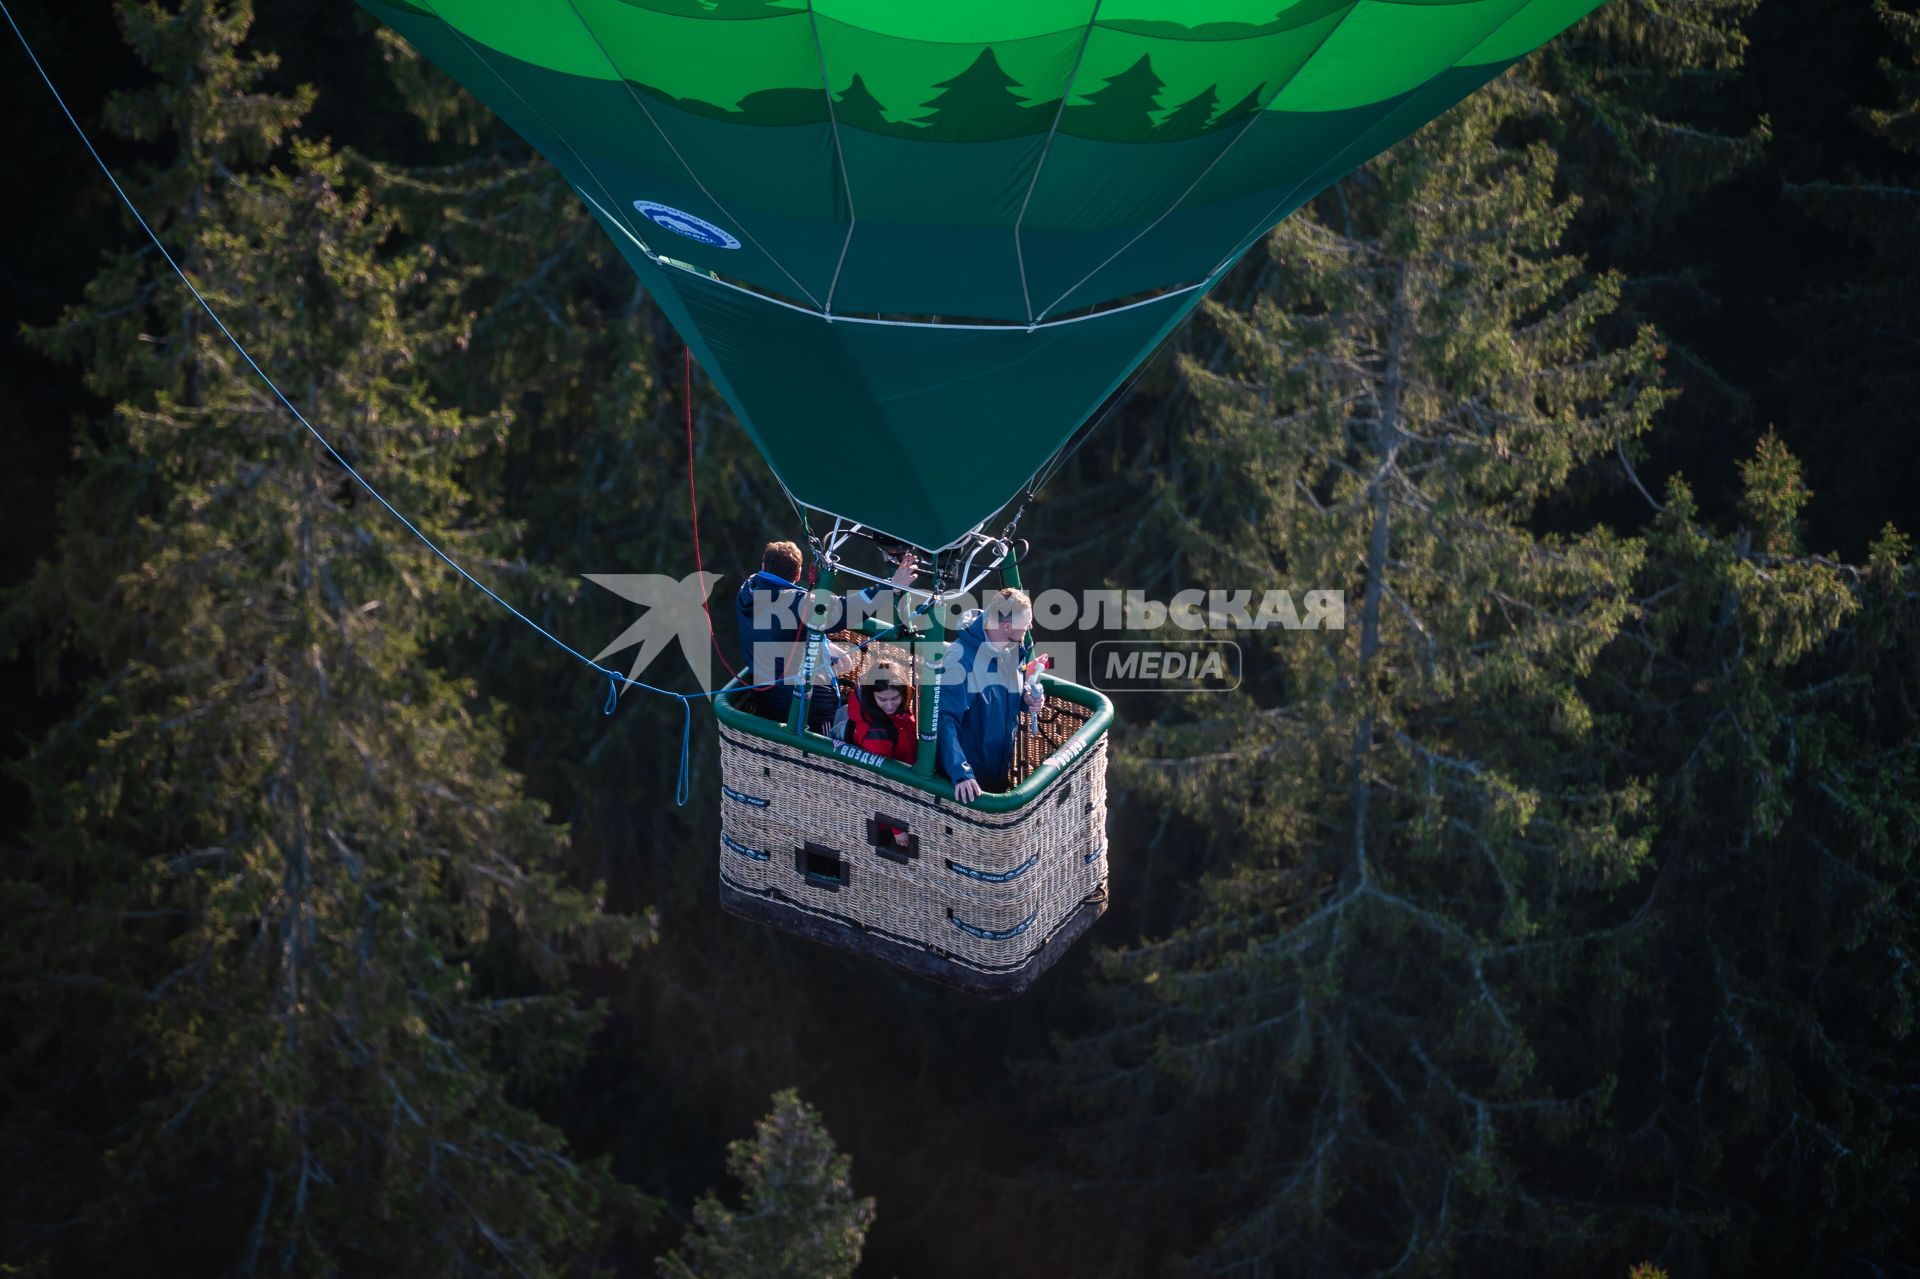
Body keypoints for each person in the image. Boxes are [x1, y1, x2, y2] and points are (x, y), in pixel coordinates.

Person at [734, 539, 916, 734]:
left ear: (763, 567)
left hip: (768, 705)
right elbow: (847, 610)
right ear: (797, 574)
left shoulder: (747, 590)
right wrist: (891, 586)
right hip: (810, 712)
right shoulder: (796, 603)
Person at [937, 587, 1044, 803]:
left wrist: (1025, 698)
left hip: (996, 771)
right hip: (965, 786)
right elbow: (944, 719)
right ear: (1006, 626)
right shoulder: (959, 660)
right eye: (1026, 623)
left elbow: (1005, 690)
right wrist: (961, 772)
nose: (1030, 627)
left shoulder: (1012, 647)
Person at [843, 657, 917, 765]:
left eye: (895, 698)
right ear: (872, 696)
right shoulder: (876, 734)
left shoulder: (903, 711)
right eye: (882, 699)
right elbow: (879, 777)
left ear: (904, 693)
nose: (890, 705)